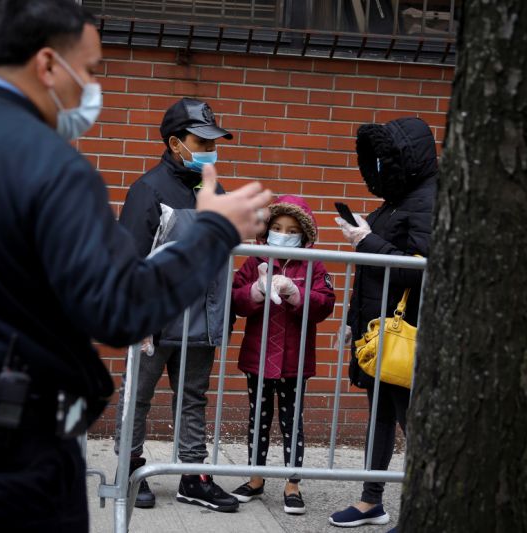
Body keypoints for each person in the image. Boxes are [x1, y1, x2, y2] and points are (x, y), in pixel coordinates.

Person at [0, 1, 271, 532]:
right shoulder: (51, 166)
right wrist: (215, 229)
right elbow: (121, 308)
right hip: (7, 448)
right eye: (90, 70)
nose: (92, 89)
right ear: (49, 65)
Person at [113, 97, 240, 512]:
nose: (208, 151)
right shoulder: (147, 189)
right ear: (174, 143)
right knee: (140, 395)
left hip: (199, 319)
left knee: (192, 397)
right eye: (200, 143)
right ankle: (130, 468)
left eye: (212, 143)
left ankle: (194, 475)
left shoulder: (213, 188)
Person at [329, 118, 437, 527]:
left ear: (407, 157)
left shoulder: (428, 198)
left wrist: (367, 241)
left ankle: (426, 511)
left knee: (414, 423)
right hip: (379, 330)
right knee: (380, 415)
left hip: (406, 333)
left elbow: (422, 269)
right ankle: (370, 500)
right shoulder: (400, 199)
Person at [228, 195, 335, 515]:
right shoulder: (254, 259)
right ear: (267, 229)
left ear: (303, 234)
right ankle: (255, 477)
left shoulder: (314, 264)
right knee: (257, 419)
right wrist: (256, 291)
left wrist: (295, 292)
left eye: (291, 229)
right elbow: (236, 298)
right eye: (277, 227)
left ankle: (293, 483)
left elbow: (325, 303)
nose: (283, 233)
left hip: (295, 360)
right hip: (257, 357)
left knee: (291, 421)